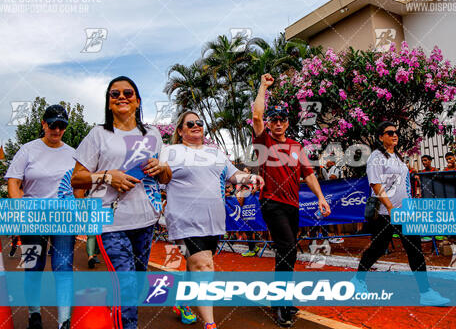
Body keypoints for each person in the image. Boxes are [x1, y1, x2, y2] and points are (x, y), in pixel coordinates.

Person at [71, 76, 172, 329]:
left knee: (136, 283)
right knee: (125, 282)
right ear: (108, 103)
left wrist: (161, 167)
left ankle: (116, 312)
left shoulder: (153, 134)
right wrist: (108, 176)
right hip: (111, 222)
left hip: (146, 220)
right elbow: (77, 179)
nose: (121, 97)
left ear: (137, 101)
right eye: (114, 94)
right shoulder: (98, 134)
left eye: (128, 93)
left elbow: (166, 177)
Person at [160, 110, 264, 329]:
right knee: (204, 266)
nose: (196, 125)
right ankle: (210, 324)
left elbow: (233, 175)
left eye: (199, 122)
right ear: (180, 131)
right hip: (185, 221)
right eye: (190, 124)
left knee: (195, 266)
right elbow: (159, 180)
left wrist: (251, 177)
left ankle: (182, 303)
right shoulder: (170, 152)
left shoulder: (215, 153)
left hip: (213, 222)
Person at [252, 73, 331, 327]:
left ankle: (282, 300)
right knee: (286, 249)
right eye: (273, 119)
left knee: (288, 254)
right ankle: (281, 304)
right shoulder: (263, 140)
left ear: (287, 123)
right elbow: (256, 115)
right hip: (271, 203)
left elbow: (308, 174)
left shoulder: (297, 147)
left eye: (281, 119)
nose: (277, 123)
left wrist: (321, 197)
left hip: (292, 206)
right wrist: (263, 86)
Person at [351, 121, 449, 306]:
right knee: (377, 249)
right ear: (381, 137)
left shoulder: (396, 157)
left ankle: (426, 292)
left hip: (405, 212)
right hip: (386, 213)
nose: (394, 135)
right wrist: (390, 208)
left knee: (415, 249)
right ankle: (358, 280)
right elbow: (376, 185)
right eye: (389, 133)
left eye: (396, 132)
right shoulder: (376, 158)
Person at [5, 104, 84, 329]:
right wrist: (18, 211)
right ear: (43, 124)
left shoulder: (72, 153)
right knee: (33, 266)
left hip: (63, 218)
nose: (56, 130)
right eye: (52, 125)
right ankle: (34, 315)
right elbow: (13, 182)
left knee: (63, 267)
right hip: (33, 218)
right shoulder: (28, 150)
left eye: (61, 126)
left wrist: (80, 213)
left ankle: (64, 321)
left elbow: (78, 186)